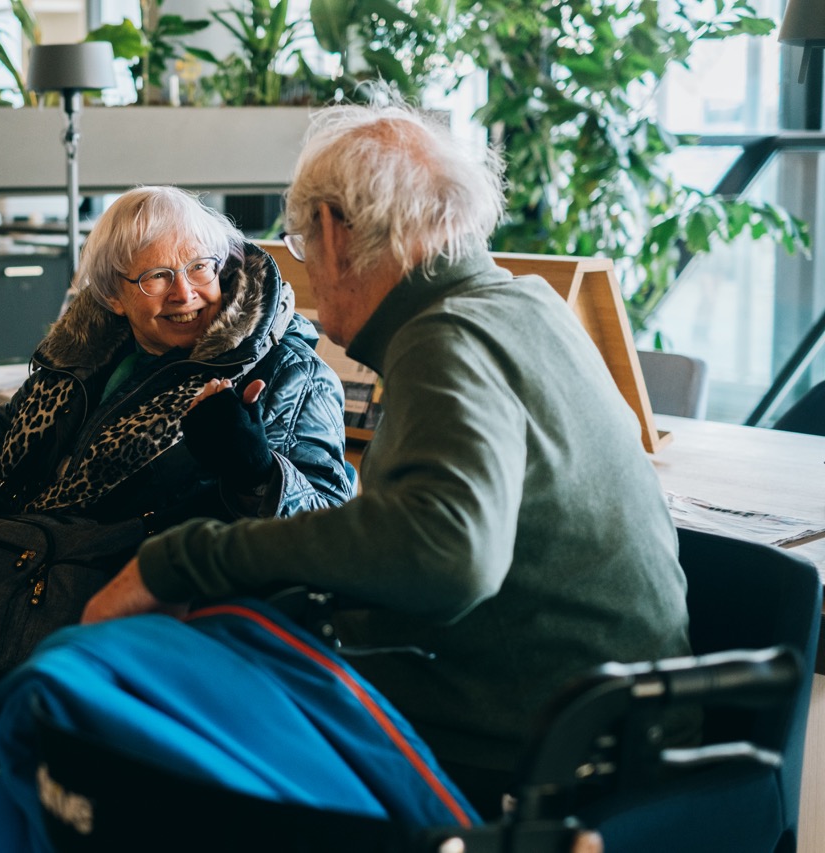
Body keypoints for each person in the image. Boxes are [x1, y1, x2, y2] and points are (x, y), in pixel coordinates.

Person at [83, 102, 695, 818]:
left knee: (150, 765)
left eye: (304, 243)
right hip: (626, 740)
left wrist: (184, 558)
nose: (308, 268)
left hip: (528, 764)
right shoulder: (529, 305)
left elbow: (446, 554)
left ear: (337, 234)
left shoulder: (446, 338)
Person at [0, 185, 354, 853]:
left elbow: (324, 518)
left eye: (202, 265)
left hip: (125, 622)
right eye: (156, 275)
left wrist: (252, 466)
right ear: (114, 293)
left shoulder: (286, 368)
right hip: (3, 598)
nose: (186, 291)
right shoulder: (85, 356)